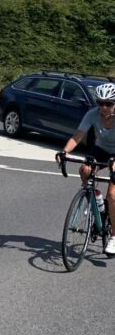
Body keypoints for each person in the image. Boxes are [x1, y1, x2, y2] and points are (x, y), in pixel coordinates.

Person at [57, 82, 115, 254]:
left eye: (109, 103)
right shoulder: (93, 114)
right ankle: (95, 199)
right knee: (85, 170)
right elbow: (77, 136)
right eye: (100, 103)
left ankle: (114, 236)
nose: (103, 107)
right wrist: (64, 152)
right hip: (101, 149)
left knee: (112, 194)